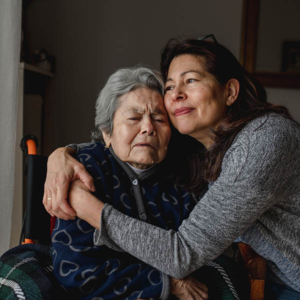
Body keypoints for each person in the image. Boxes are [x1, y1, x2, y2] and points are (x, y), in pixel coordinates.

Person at [44, 36, 300, 299]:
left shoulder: (261, 141)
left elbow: (182, 254)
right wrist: (61, 154)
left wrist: (85, 205)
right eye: (169, 86)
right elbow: (120, 140)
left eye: (190, 80)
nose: (176, 94)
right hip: (280, 278)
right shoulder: (204, 150)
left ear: (230, 92)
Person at [50, 66, 209, 300]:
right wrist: (166, 282)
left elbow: (194, 258)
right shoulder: (83, 170)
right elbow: (77, 272)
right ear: (107, 131)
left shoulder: (185, 175)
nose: (148, 128)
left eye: (159, 119)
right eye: (134, 118)